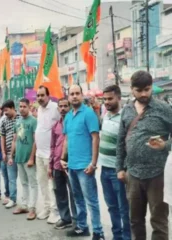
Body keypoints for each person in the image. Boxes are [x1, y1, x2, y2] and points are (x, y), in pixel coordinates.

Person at [116, 70, 172, 240]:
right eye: (139, 90)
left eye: (147, 89)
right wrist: (120, 168)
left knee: (159, 220)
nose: (143, 94)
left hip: (158, 174)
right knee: (135, 220)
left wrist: (166, 145)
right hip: (132, 174)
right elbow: (120, 142)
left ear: (151, 87)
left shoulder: (164, 109)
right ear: (131, 89)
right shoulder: (126, 110)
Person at [61, 85, 104, 239]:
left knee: (91, 200)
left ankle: (98, 232)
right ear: (68, 96)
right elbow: (67, 139)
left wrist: (93, 163)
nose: (74, 96)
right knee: (78, 199)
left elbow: (95, 138)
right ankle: (82, 226)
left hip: (85, 167)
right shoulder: (68, 116)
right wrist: (63, 158)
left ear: (82, 95)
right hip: (71, 166)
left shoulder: (88, 113)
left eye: (77, 93)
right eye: (71, 94)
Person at [99, 85, 131, 240]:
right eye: (104, 99)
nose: (106, 102)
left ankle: (126, 236)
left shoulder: (125, 117)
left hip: (118, 171)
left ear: (119, 98)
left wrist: (124, 169)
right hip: (104, 169)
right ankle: (116, 235)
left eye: (110, 98)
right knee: (112, 206)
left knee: (123, 207)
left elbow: (128, 145)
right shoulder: (106, 115)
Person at [49, 98, 77, 230]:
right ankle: (65, 218)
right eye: (61, 106)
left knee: (74, 193)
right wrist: (50, 165)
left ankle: (77, 220)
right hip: (57, 165)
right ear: (58, 108)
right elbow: (52, 146)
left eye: (66, 106)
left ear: (70, 107)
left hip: (71, 165)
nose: (63, 108)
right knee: (60, 193)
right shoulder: (56, 126)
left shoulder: (74, 122)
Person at [35, 86, 60, 223]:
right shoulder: (39, 109)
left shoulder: (55, 108)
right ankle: (46, 208)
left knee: (52, 185)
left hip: (50, 155)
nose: (40, 98)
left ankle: (55, 211)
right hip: (39, 153)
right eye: (38, 95)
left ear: (48, 96)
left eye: (42, 95)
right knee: (42, 183)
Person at [10, 98, 38, 220]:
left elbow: (36, 141)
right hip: (19, 158)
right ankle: (24, 205)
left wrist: (32, 158)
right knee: (23, 183)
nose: (21, 109)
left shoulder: (33, 121)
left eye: (24, 106)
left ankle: (32, 209)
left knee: (33, 184)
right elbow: (15, 140)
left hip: (28, 159)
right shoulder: (18, 121)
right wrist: (11, 156)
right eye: (20, 106)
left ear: (29, 106)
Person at [1, 100, 20, 209]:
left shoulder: (20, 119)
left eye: (7, 110)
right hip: (9, 154)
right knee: (11, 178)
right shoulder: (4, 121)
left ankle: (28, 202)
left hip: (21, 154)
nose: (5, 113)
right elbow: (2, 137)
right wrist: (3, 152)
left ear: (13, 108)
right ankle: (13, 199)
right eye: (4, 111)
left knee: (26, 180)